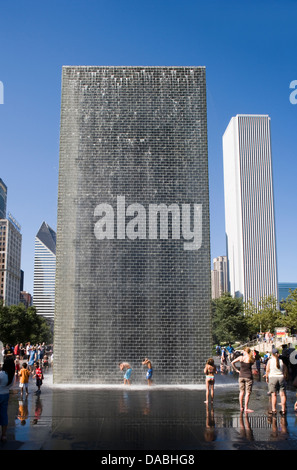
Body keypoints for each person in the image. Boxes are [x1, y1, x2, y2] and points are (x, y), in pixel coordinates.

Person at [266, 348, 288, 416]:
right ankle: (283, 409)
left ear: (272, 354)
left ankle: (274, 409)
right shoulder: (281, 361)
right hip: (281, 377)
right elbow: (285, 370)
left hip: (272, 378)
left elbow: (267, 370)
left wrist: (267, 378)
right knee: (282, 394)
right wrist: (285, 377)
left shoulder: (270, 361)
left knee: (273, 395)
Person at [231, 347, 255, 413]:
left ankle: (241, 407)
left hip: (241, 376)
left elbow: (232, 362)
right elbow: (253, 362)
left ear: (245, 351)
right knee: (247, 393)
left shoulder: (241, 358)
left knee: (241, 392)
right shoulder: (251, 358)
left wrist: (236, 370)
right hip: (248, 377)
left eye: (243, 351)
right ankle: (246, 408)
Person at [0, 355, 15, 442]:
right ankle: (4, 435)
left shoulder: (2, 374)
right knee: (4, 414)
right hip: (6, 395)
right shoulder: (11, 376)